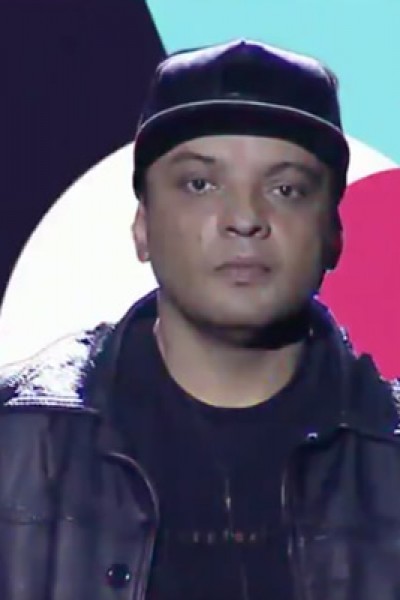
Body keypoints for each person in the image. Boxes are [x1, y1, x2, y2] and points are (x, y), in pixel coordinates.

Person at [1, 38, 400, 600]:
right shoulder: (17, 439)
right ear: (142, 225)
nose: (244, 218)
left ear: (334, 233)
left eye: (286, 189)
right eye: (200, 184)